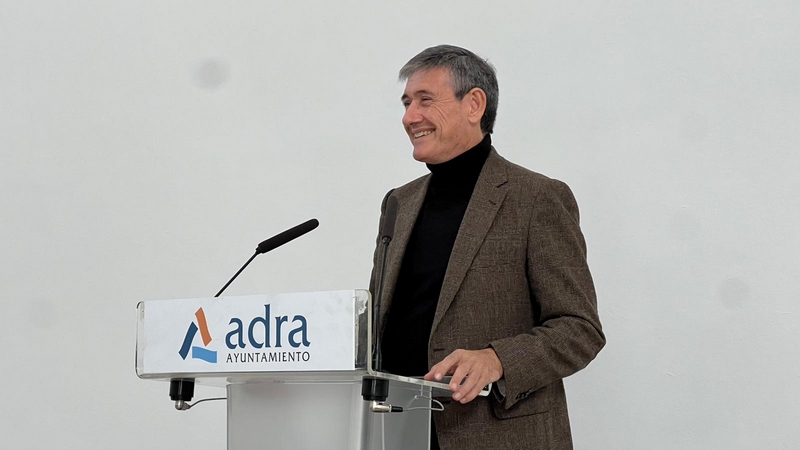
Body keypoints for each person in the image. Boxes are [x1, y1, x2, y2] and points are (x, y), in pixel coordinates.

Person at [369, 45, 605, 450]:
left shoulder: (536, 198)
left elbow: (580, 329)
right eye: (407, 103)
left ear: (474, 104)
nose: (409, 117)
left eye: (425, 100)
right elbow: (383, 324)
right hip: (398, 433)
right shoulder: (398, 202)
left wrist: (497, 360)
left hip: (499, 437)